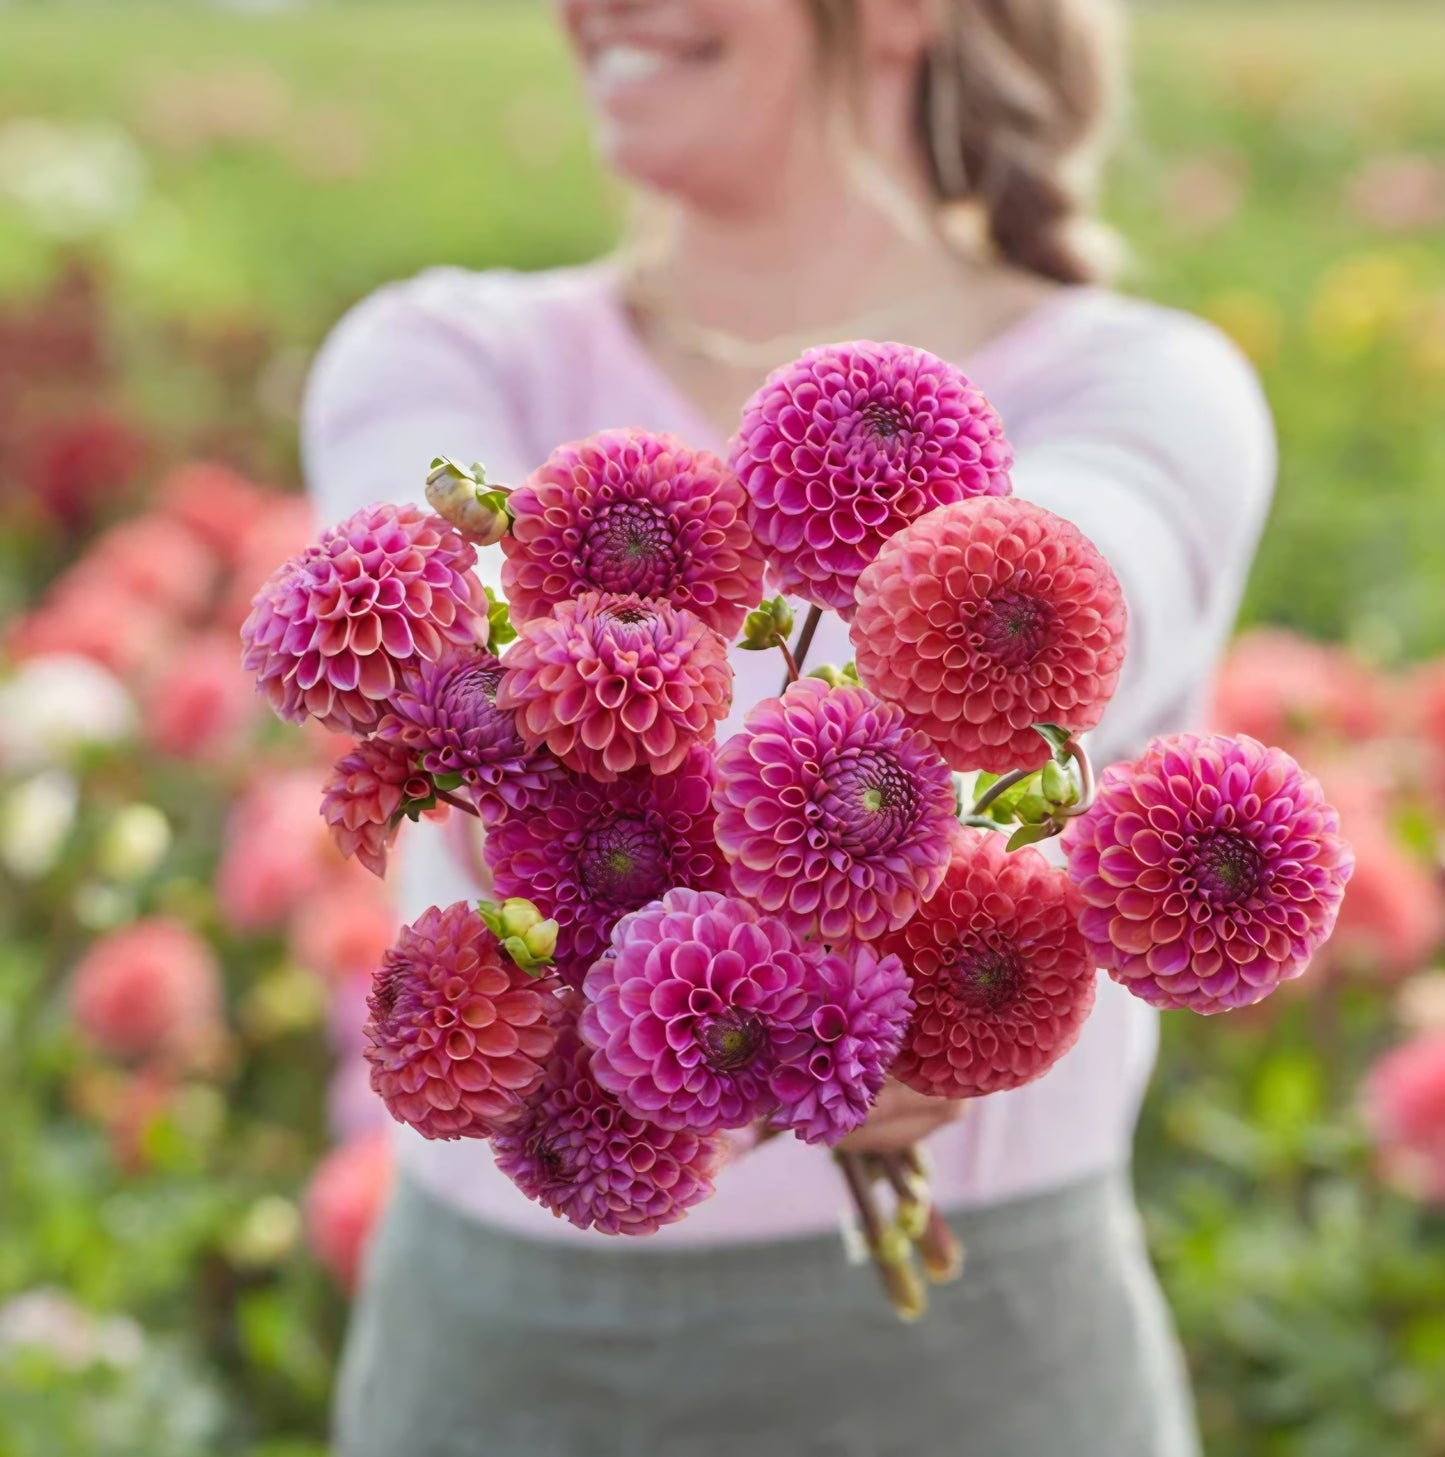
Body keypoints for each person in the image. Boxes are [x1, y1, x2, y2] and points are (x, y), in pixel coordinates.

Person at [304, 2, 1275, 1452]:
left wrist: (848, 866)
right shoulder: (439, 354)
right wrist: (846, 925)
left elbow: (1043, 625)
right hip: (516, 1339)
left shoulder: (1139, 386)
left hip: (981, 1361)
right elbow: (460, 691)